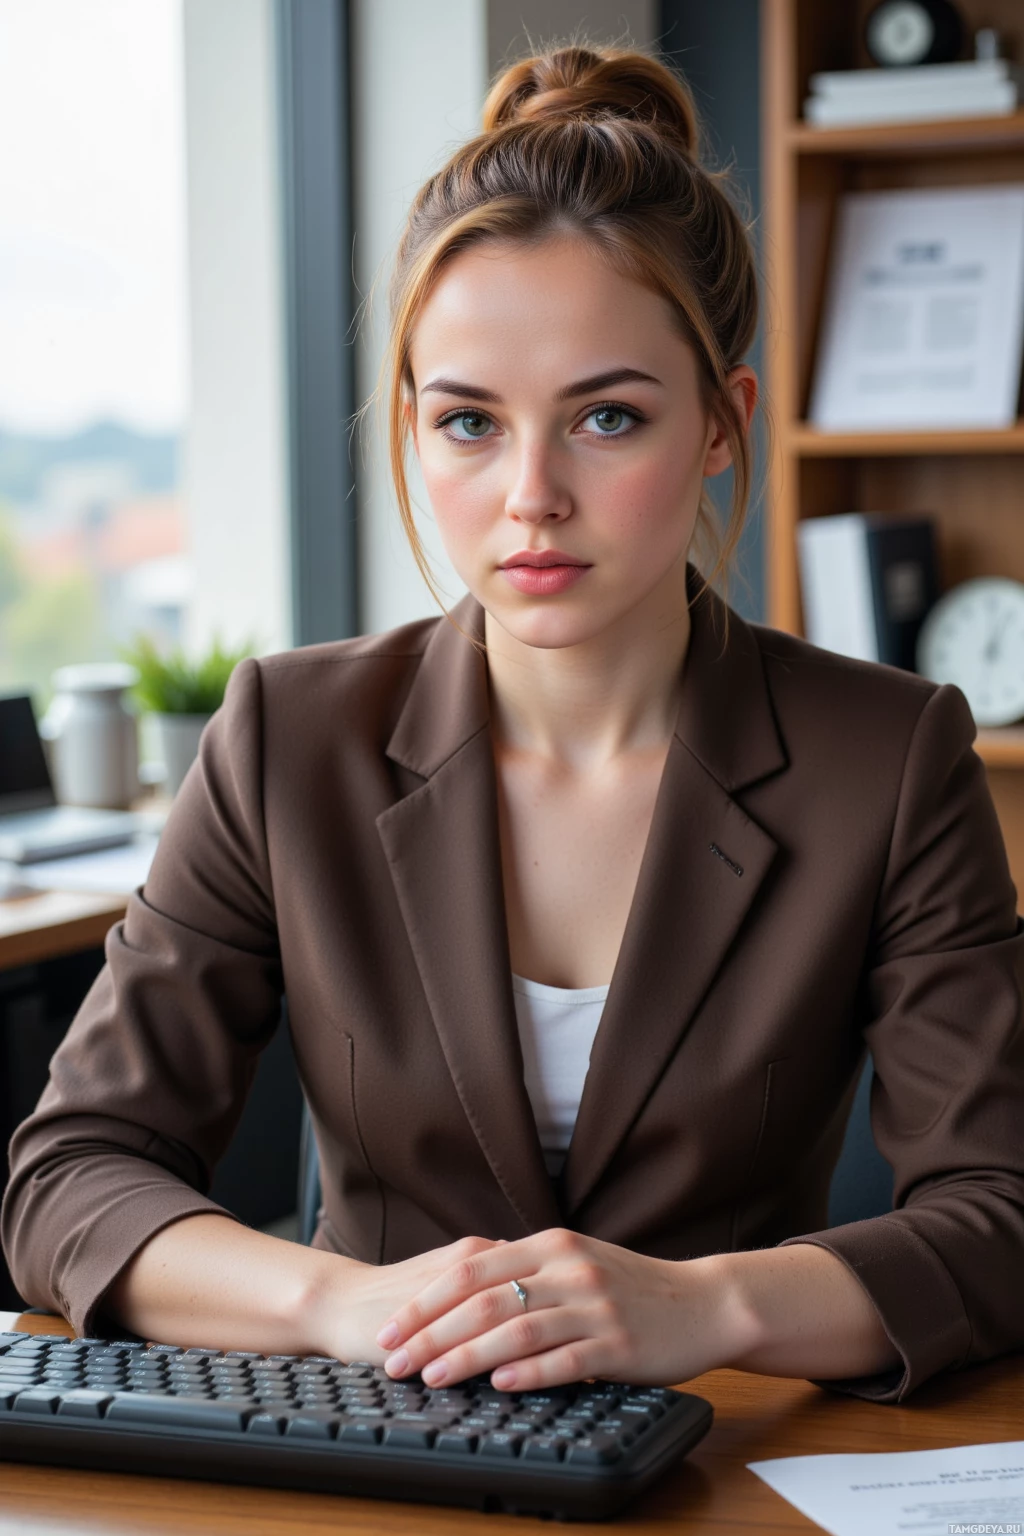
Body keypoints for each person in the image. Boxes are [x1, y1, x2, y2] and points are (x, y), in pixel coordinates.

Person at [4, 42, 1023, 1409]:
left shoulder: (887, 758)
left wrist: (701, 1305)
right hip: (360, 1458)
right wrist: (344, 1305)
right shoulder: (282, 736)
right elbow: (70, 1176)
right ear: (414, 428)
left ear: (725, 426)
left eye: (608, 417)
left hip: (718, 1457)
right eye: (471, 423)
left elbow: (1005, 1212)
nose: (531, 496)